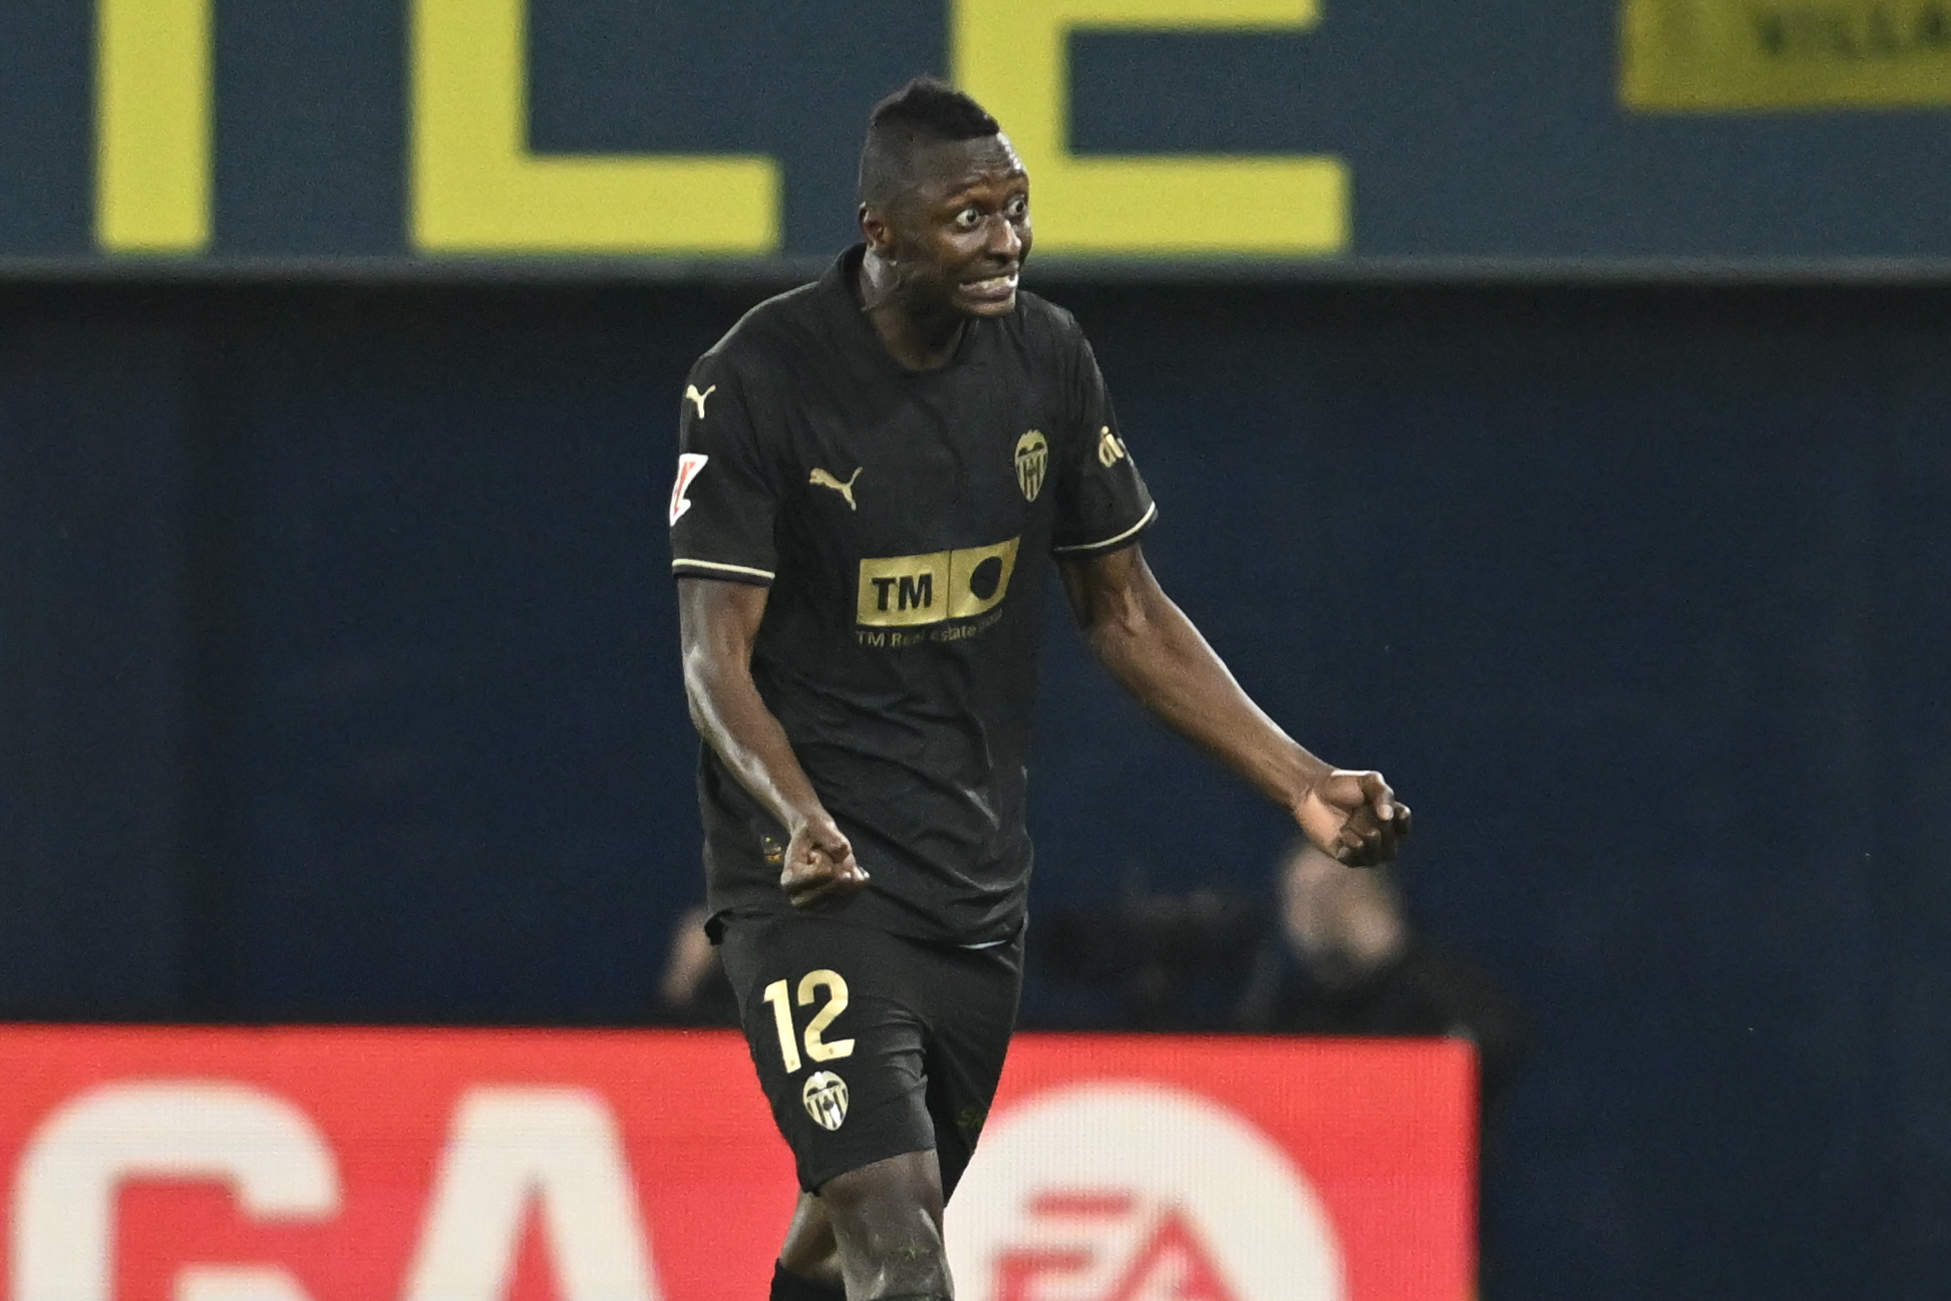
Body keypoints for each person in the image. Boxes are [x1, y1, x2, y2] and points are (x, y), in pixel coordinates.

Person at [669, 77, 1410, 1301]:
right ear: (882, 230)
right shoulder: (758, 377)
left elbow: (1122, 609)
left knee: (841, 1228)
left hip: (973, 893)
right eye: (968, 215)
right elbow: (714, 652)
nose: (1006, 239)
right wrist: (797, 815)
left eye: (1015, 209)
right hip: (811, 888)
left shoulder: (1047, 360)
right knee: (904, 1245)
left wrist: (1303, 781)